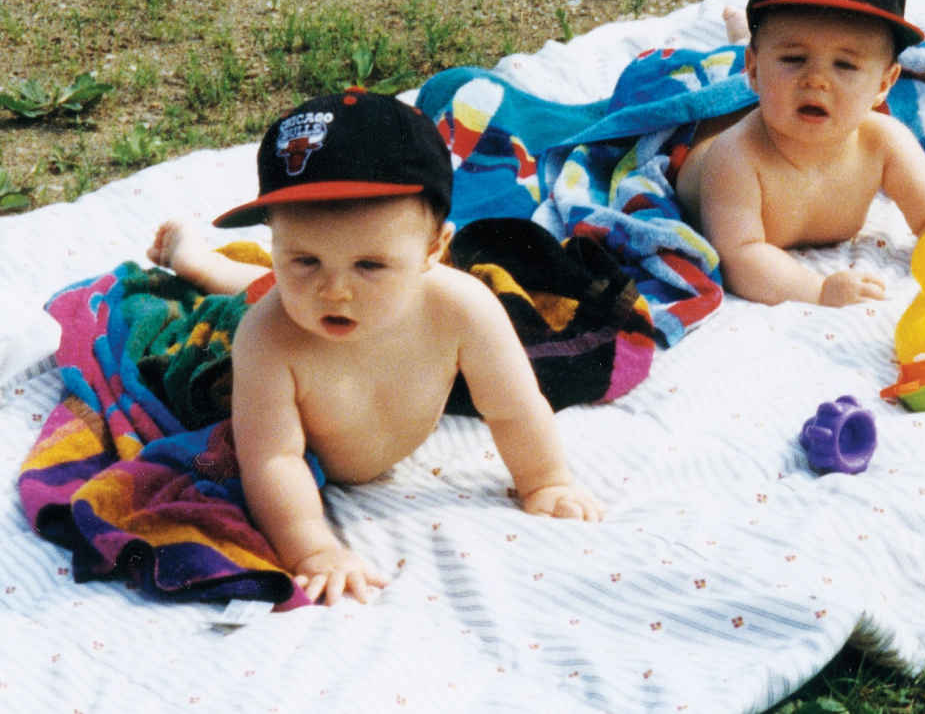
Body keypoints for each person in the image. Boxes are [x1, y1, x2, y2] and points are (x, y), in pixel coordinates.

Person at [148, 88, 603, 606]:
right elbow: (273, 459)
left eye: (369, 265)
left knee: (266, 289)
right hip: (262, 315)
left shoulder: (462, 308)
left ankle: (216, 260)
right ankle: (193, 259)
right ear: (275, 242)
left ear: (435, 248)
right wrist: (313, 550)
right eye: (303, 260)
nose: (335, 290)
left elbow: (515, 407)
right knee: (248, 293)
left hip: (324, 305)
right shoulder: (269, 336)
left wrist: (545, 482)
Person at [674, 0, 925, 307]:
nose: (817, 80)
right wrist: (817, 290)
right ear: (753, 71)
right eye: (795, 58)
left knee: (765, 66)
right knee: (720, 87)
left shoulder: (883, 142)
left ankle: (747, 39)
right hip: (717, 128)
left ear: (884, 84)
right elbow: (740, 256)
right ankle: (741, 41)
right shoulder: (735, 155)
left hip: (767, 86)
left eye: (845, 65)